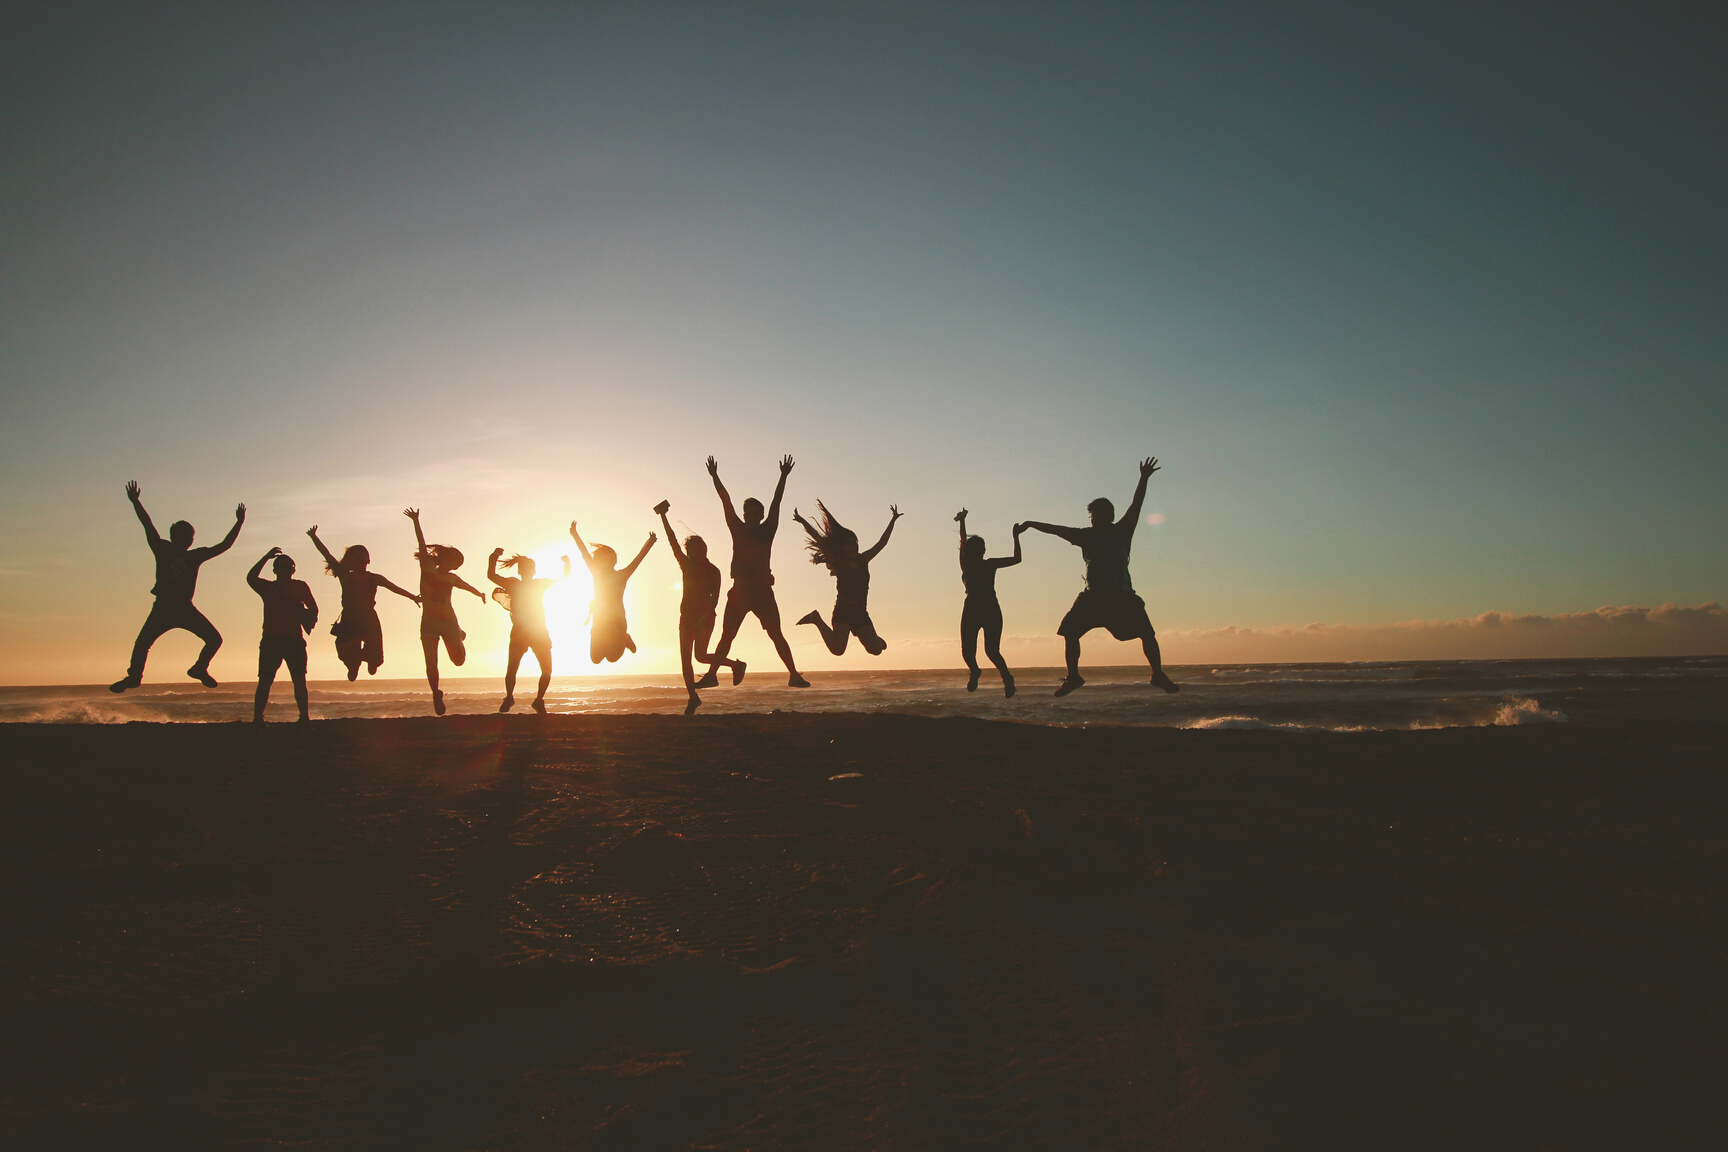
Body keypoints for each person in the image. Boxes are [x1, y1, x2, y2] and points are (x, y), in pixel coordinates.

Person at [1018, 457, 1181, 697]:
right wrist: (1032, 524)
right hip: (1092, 597)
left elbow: (1137, 504)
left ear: (1107, 516)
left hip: (1121, 596)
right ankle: (1073, 676)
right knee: (1070, 632)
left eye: (1095, 516)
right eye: (1091, 516)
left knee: (1147, 633)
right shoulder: (1085, 535)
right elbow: (1056, 529)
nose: (1092, 520)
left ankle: (1157, 674)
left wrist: (1143, 478)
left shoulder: (1122, 530)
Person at [111, 481, 245, 692]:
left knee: (214, 639)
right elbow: (148, 525)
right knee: (142, 643)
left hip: (185, 608)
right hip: (163, 607)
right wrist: (136, 502)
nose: (187, 541)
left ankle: (199, 669)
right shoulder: (162, 548)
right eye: (182, 537)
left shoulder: (195, 556)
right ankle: (134, 677)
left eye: (190, 538)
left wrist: (239, 523)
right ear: (173, 537)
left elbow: (224, 546)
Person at [702, 455, 809, 687]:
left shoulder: (768, 529)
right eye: (747, 513)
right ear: (743, 515)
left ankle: (794, 674)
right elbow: (725, 500)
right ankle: (711, 676)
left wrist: (783, 476)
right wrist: (715, 477)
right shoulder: (737, 528)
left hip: (762, 592)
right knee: (727, 636)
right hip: (739, 590)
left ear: (761, 516)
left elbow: (776, 502)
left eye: (754, 513)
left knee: (776, 635)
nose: (750, 516)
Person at [654, 500, 746, 713]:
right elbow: (672, 542)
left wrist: (704, 617)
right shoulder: (685, 565)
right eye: (694, 551)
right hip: (686, 617)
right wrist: (663, 517)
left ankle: (736, 665)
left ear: (705, 549)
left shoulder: (714, 571)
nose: (698, 554)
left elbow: (715, 599)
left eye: (701, 550)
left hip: (705, 618)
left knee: (701, 656)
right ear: (690, 553)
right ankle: (693, 698)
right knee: (686, 660)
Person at [306, 526, 420, 680]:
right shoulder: (345, 576)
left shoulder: (374, 578)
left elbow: (394, 588)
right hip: (349, 619)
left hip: (369, 619)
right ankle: (353, 666)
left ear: (368, 560)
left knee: (376, 654)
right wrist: (314, 537)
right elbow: (327, 555)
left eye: (363, 556)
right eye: (356, 556)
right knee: (347, 651)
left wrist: (412, 596)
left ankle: (371, 661)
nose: (360, 559)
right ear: (350, 561)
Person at [405, 508, 486, 715]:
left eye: (457, 564)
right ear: (444, 558)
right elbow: (422, 545)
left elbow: (466, 586)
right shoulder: (427, 568)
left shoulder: (451, 579)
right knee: (431, 663)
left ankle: (459, 634)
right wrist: (416, 521)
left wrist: (479, 594)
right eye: (452, 560)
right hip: (428, 624)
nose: (454, 566)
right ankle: (435, 693)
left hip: (449, 623)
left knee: (458, 661)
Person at [793, 501, 901, 657]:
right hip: (843, 610)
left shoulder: (864, 560)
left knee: (876, 650)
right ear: (842, 546)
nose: (854, 545)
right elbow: (820, 541)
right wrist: (803, 521)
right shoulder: (839, 563)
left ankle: (875, 640)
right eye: (849, 543)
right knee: (838, 649)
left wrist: (893, 519)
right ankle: (816, 619)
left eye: (855, 542)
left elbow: (882, 542)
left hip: (860, 612)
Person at [489, 547, 568, 714]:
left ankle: (536, 701)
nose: (529, 571)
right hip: (525, 631)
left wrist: (567, 564)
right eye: (528, 568)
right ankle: (512, 697)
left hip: (537, 630)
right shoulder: (517, 583)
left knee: (543, 669)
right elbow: (491, 576)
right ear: (523, 570)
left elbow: (564, 578)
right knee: (515, 668)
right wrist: (493, 557)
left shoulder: (532, 583)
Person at [954, 509, 1022, 696]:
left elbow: (1017, 559)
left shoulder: (990, 564)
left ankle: (1007, 678)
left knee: (992, 651)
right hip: (972, 609)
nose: (981, 552)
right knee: (967, 652)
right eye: (977, 550)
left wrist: (1015, 537)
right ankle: (975, 671)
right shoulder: (966, 563)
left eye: (982, 550)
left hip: (991, 609)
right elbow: (962, 541)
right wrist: (962, 521)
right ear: (971, 551)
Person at [246, 547, 318, 723]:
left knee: (300, 681)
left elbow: (313, 607)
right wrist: (265, 557)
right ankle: (257, 719)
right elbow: (250, 578)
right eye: (282, 567)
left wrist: (310, 620)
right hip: (272, 640)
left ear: (294, 569)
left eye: (289, 566)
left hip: (295, 640)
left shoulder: (301, 586)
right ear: (275, 570)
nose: (286, 569)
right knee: (265, 681)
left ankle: (304, 718)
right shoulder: (268, 587)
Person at [569, 519, 656, 664]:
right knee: (596, 659)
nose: (600, 562)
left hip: (617, 622)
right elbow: (584, 554)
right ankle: (621, 640)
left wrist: (650, 542)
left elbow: (638, 559)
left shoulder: (621, 576)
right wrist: (574, 534)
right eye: (599, 560)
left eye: (608, 560)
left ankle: (625, 638)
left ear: (614, 561)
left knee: (612, 658)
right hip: (600, 621)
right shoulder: (596, 573)